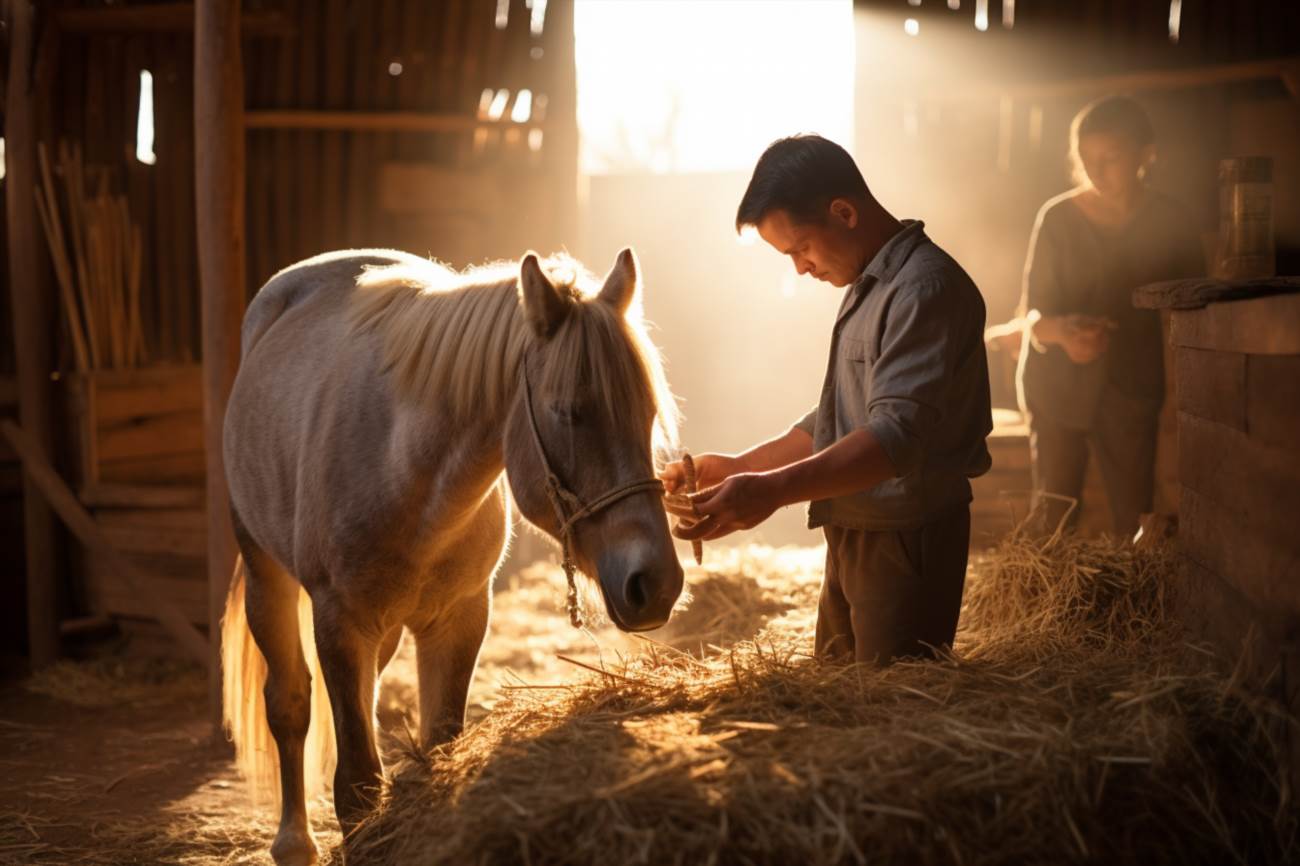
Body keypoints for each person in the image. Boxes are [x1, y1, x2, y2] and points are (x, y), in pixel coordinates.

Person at [663, 135, 992, 665]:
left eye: (800, 248)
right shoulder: (870, 285)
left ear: (844, 212)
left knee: (891, 708)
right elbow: (841, 414)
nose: (799, 268)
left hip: (906, 537)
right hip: (856, 526)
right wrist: (741, 468)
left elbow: (893, 440)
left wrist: (770, 491)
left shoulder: (923, 291)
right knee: (839, 696)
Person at [1016, 96, 1202, 538]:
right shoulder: (1057, 218)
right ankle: (1053, 603)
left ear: (1146, 153)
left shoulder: (1172, 220)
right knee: (1055, 514)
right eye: (1086, 160)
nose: (1096, 171)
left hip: (1133, 382)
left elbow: (1197, 299)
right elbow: (1034, 315)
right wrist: (1066, 333)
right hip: (1057, 380)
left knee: (1134, 514)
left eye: (1110, 158)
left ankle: (1128, 601)